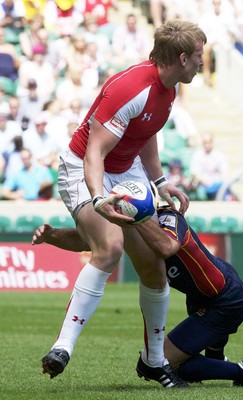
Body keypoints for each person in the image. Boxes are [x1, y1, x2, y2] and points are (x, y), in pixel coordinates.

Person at [40, 20, 205, 388]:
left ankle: (155, 361)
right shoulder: (130, 88)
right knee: (110, 246)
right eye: (198, 57)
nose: (201, 63)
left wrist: (161, 182)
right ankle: (62, 347)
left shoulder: (170, 89)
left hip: (127, 170)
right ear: (181, 58)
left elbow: (145, 134)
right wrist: (98, 198)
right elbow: (94, 152)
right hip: (83, 166)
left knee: (152, 267)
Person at [32, 205, 243, 387]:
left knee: (156, 365)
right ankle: (220, 365)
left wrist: (136, 215)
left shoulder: (170, 218)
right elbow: (91, 240)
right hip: (204, 296)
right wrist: (52, 236)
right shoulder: (137, 223)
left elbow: (166, 247)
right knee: (197, 360)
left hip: (225, 299)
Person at [189, 132, 228, 201]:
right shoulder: (197, 155)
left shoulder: (219, 155)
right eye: (205, 142)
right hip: (203, 185)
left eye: (209, 142)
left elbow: (224, 172)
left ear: (212, 142)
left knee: (223, 188)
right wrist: (208, 183)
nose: (207, 144)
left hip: (217, 183)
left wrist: (220, 183)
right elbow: (195, 173)